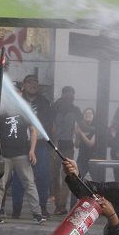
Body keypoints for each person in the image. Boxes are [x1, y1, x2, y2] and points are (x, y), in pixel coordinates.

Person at [0, 112, 46, 224]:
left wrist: (32, 150)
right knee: (0, 185)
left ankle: (37, 214)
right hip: (3, 154)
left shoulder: (23, 110)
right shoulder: (0, 111)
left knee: (29, 184)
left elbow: (33, 130)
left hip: (22, 154)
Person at [10, 74, 53, 218]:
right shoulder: (18, 100)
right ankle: (16, 209)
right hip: (21, 145)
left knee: (42, 176)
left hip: (40, 144)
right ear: (24, 84)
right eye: (30, 82)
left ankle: (42, 207)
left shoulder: (44, 102)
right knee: (19, 177)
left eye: (35, 82)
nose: (33, 84)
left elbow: (49, 123)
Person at [49, 86, 81, 215]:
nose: (70, 97)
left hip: (67, 146)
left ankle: (61, 205)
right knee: (56, 176)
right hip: (57, 146)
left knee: (65, 176)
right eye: (68, 94)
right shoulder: (55, 107)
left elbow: (79, 125)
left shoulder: (74, 109)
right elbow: (51, 126)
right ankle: (59, 204)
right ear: (63, 94)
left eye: (71, 94)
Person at [75, 108, 97, 182]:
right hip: (82, 158)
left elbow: (90, 144)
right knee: (77, 180)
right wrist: (77, 134)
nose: (88, 115)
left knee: (96, 180)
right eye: (86, 113)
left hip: (93, 158)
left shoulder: (96, 129)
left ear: (94, 116)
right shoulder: (80, 127)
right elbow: (76, 145)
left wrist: (80, 132)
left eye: (90, 113)